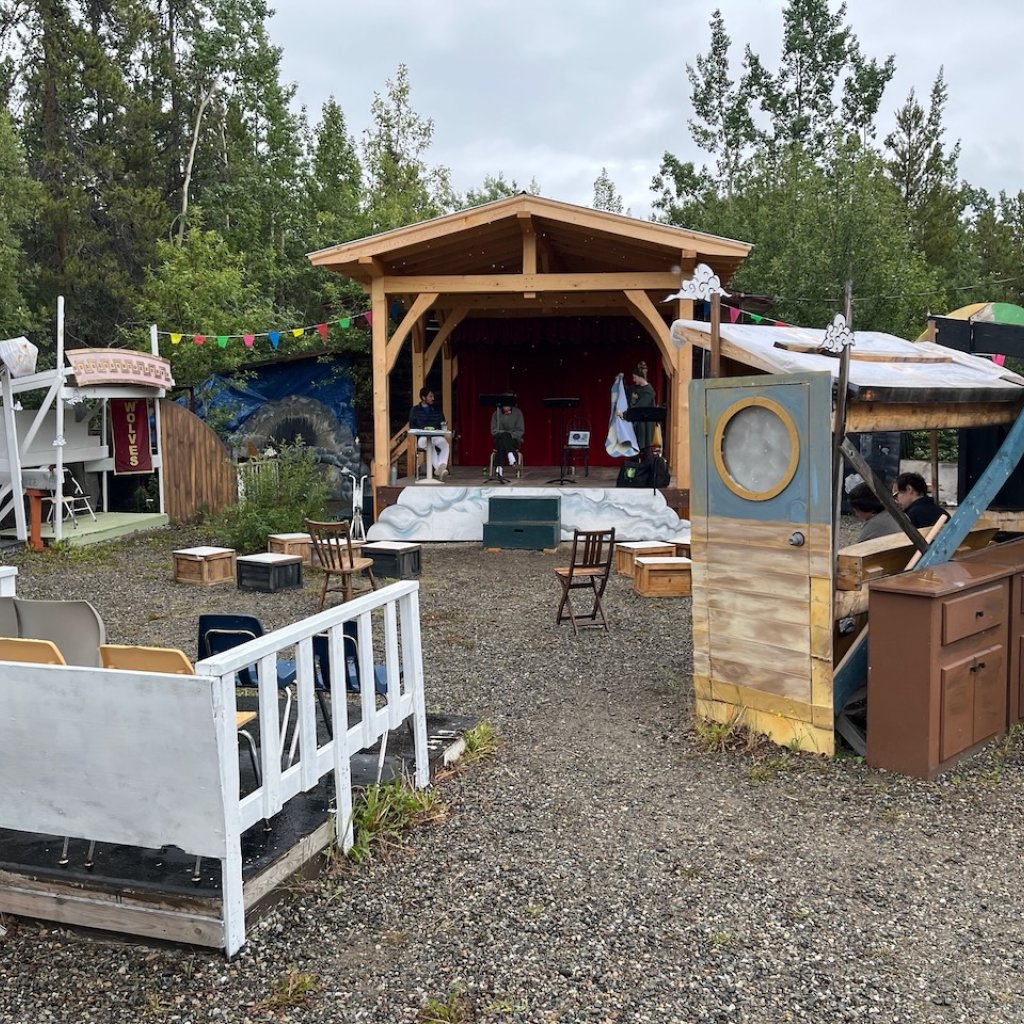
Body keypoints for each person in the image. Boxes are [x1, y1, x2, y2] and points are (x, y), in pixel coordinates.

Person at [408, 387, 449, 481]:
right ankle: (441, 469)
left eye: (433, 396)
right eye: (430, 396)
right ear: (423, 397)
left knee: (445, 444)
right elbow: (412, 425)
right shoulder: (414, 410)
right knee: (430, 447)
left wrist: (438, 429)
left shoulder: (437, 410)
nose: (433, 398)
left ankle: (441, 468)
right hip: (422, 438)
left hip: (436, 436)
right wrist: (423, 429)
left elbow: (442, 423)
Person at [490, 400, 524, 482]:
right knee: (502, 438)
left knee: (502, 441)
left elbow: (520, 431)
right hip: (499, 438)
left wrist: (508, 435)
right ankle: (511, 456)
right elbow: (494, 431)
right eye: (504, 406)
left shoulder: (518, 413)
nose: (506, 407)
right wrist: (504, 434)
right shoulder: (496, 413)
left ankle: (499, 470)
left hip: (514, 440)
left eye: (508, 406)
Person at [625, 361, 656, 452]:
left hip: (645, 425)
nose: (633, 380)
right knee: (633, 449)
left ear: (640, 377)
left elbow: (639, 408)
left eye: (635, 377)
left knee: (645, 449)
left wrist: (624, 414)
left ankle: (645, 465)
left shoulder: (649, 391)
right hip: (636, 423)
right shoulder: (635, 387)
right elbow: (626, 390)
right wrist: (620, 380)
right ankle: (633, 466)